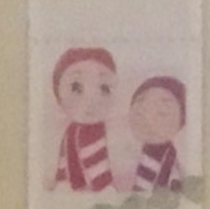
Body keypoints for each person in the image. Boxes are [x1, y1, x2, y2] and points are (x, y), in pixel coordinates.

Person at [49, 46, 119, 192]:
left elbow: (100, 165)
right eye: (76, 87)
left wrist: (105, 188)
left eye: (104, 88)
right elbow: (65, 160)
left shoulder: (99, 131)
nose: (91, 100)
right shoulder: (71, 130)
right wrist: (62, 181)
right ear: (58, 94)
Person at [127, 74, 188, 193]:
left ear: (182, 118)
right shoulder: (131, 160)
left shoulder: (173, 169)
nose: (148, 120)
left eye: (162, 113)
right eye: (140, 112)